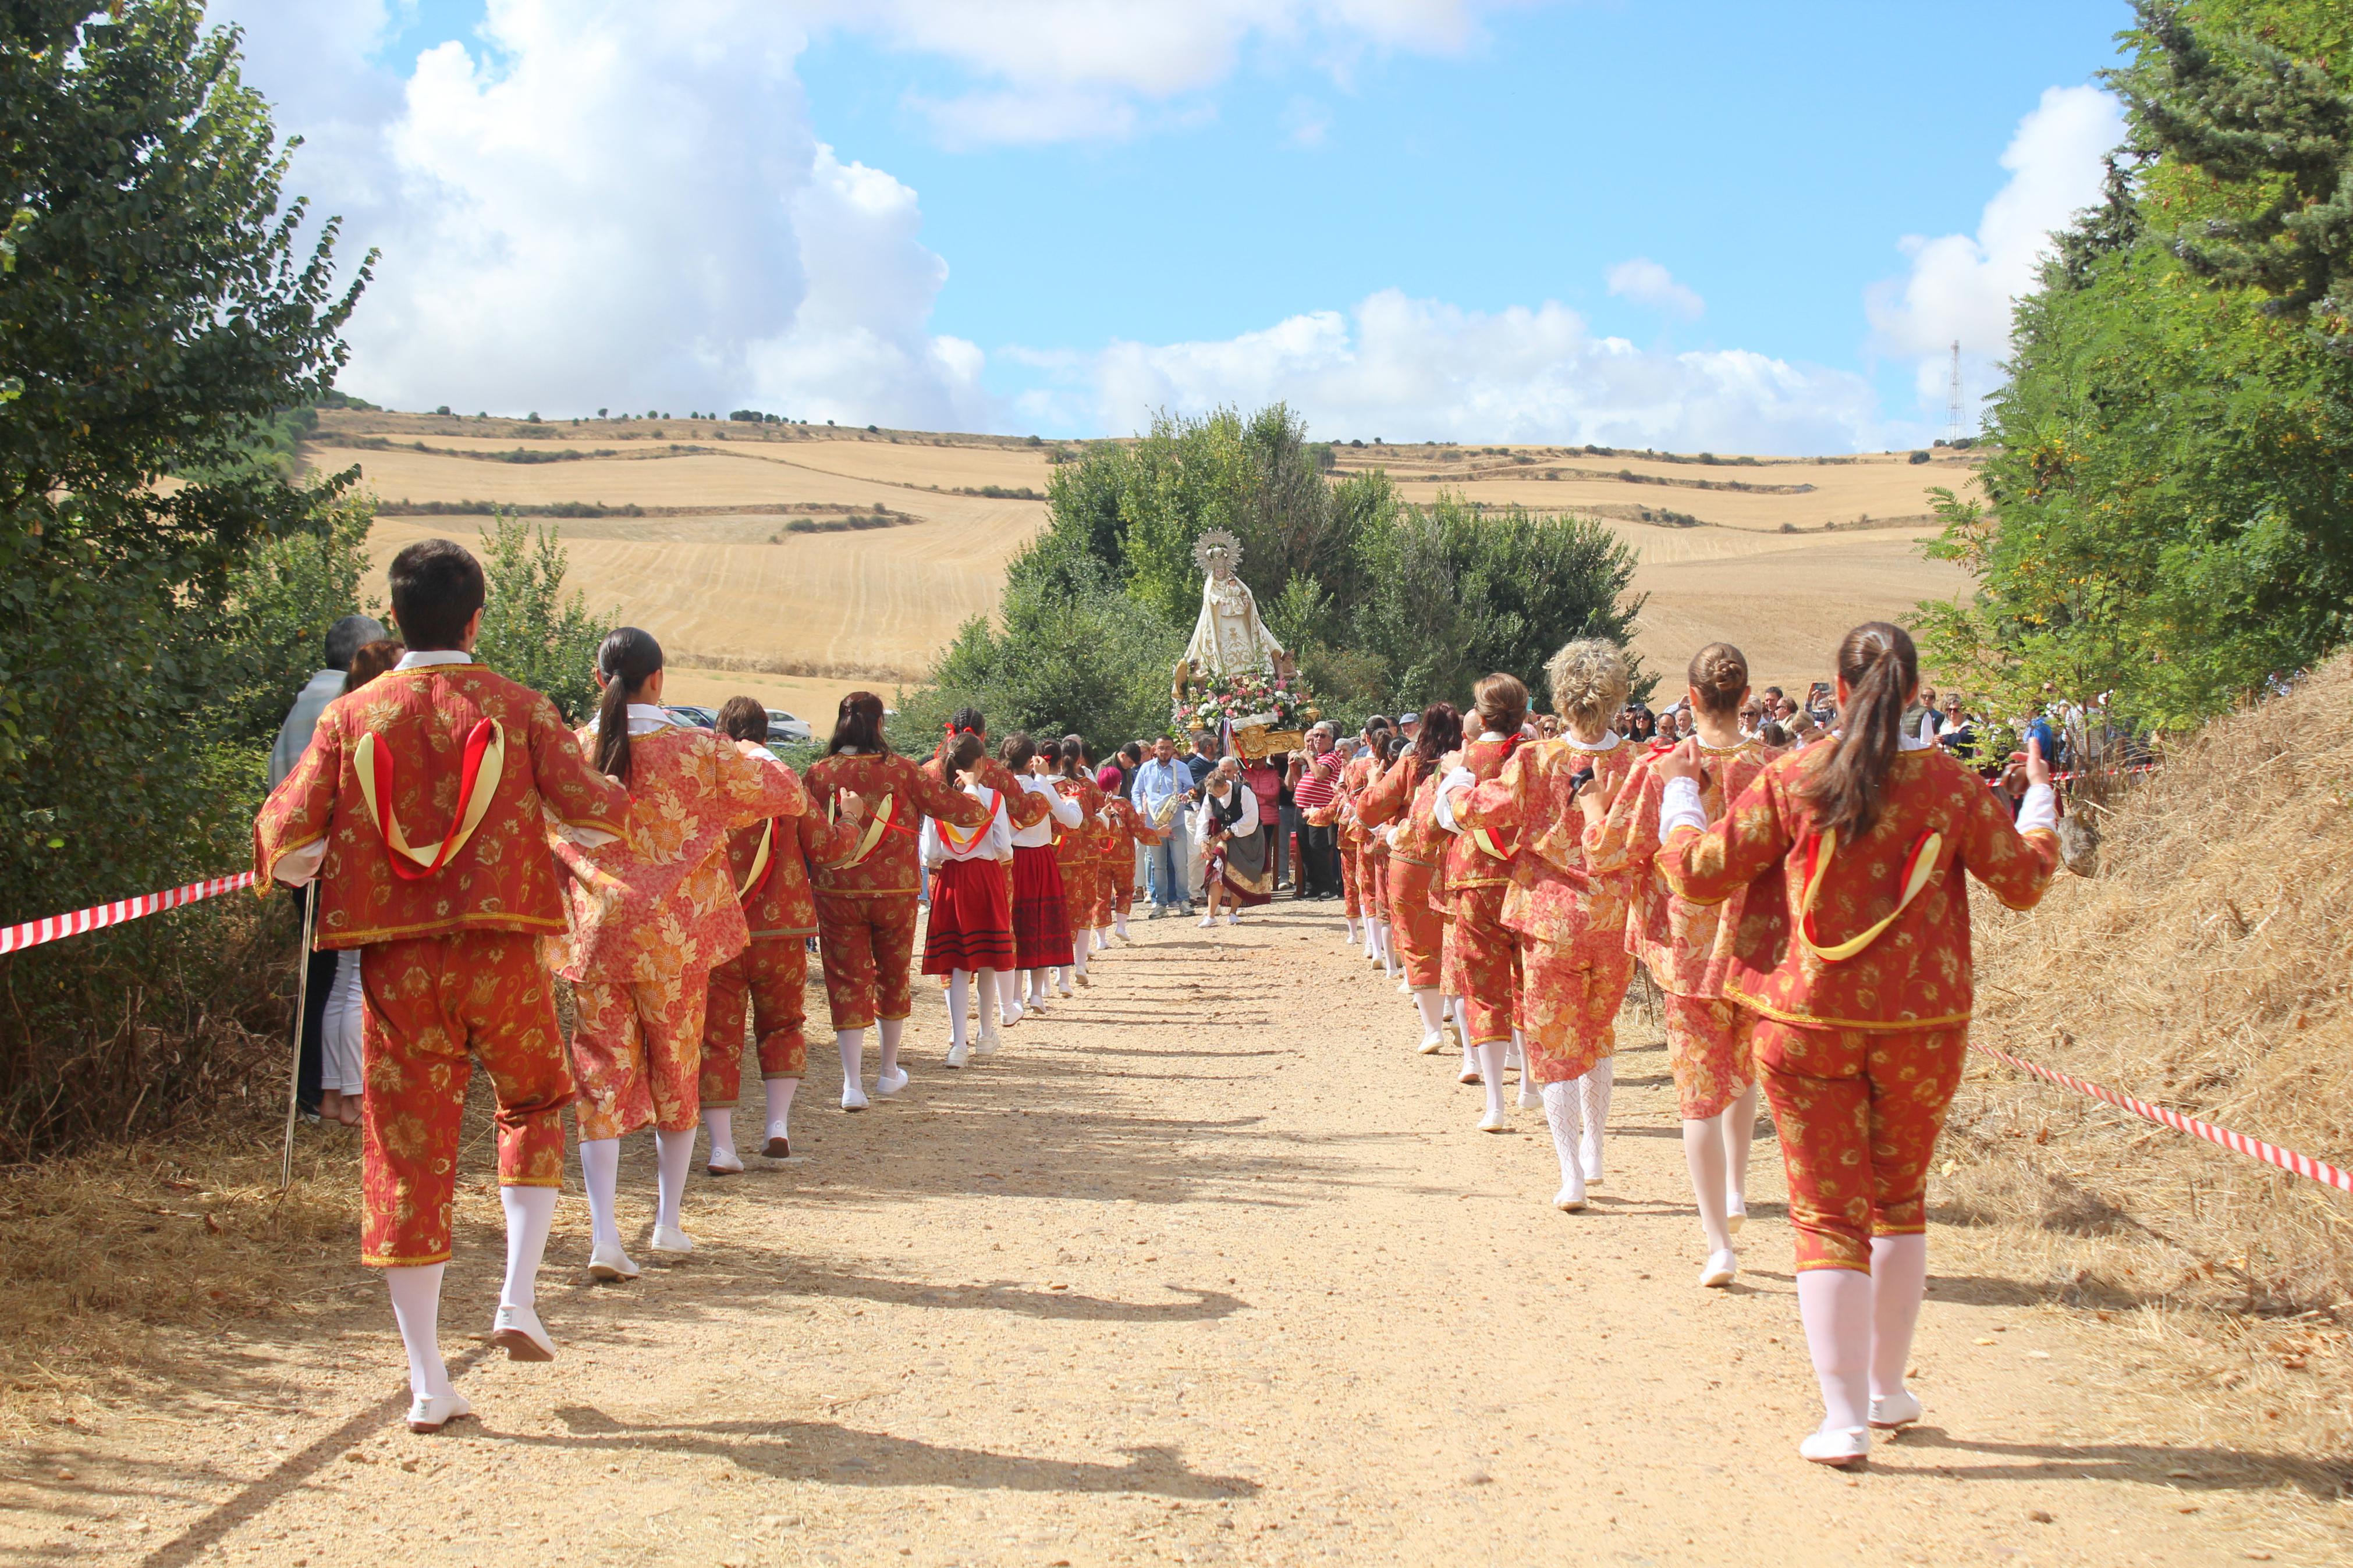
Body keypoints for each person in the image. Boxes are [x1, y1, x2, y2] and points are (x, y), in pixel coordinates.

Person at [1653, 621, 2060, 1466]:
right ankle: (1885, 1388)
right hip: (1920, 1025)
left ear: (1837, 690)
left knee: (1825, 1212)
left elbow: (1698, 874)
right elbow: (2022, 882)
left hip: (1807, 1023)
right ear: (1911, 692)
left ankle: (1841, 1417)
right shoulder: (1949, 784)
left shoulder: (1794, 776)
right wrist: (2039, 802)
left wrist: (1681, 799)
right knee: (1898, 1199)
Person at [253, 539, 633, 1434]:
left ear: (395, 617)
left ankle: (428, 1378)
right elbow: (596, 813)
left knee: (405, 1148)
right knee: (534, 1100)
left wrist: (337, 853)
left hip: (397, 963)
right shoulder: (522, 709)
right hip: (503, 952)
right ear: (475, 619)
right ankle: (515, 1294)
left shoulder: (350, 717)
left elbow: (286, 840)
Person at [552, 629, 805, 1278]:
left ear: (598, 676)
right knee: (676, 1068)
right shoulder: (698, 749)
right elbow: (787, 791)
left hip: (599, 933)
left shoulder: (571, 750)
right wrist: (747, 746)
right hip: (676, 936)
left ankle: (605, 1235)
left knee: (600, 1077)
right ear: (659, 678)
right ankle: (667, 1222)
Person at [1585, 643, 1778, 1285]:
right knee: (1743, 1070)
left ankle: (1718, 1242)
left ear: (1691, 698)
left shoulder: (1660, 768)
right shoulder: (1775, 767)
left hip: (1687, 948)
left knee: (1698, 1092)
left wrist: (1591, 807)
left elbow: (1608, 852)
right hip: (1757, 947)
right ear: (1745, 697)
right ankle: (1738, 1190)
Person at [1442, 645, 1638, 1183]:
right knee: (1599, 1035)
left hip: (1551, 919)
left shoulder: (1537, 759)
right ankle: (1594, 1150)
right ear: (1617, 695)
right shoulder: (1638, 762)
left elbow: (1473, 811)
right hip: (1614, 918)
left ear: (1561, 696)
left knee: (1556, 1043)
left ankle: (1570, 1172)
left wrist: (1456, 778)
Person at [803, 692, 996, 1109]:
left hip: (837, 890)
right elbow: (965, 812)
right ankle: (888, 1071)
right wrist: (973, 790)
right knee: (892, 977)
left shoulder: (819, 773)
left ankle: (851, 1083)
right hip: (894, 892)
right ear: (879, 725)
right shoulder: (903, 770)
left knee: (846, 980)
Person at [698, 699, 860, 1171]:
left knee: (717, 1038)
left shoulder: (706, 779)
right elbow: (828, 850)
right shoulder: (785, 780)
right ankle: (777, 1126)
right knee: (782, 1027)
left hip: (719, 927)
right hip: (783, 929)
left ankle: (722, 1147)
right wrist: (850, 818)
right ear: (766, 734)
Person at [270, 610, 391, 1121]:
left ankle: (316, 1092)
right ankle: (325, 1093)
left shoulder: (304, 701)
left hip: (305, 860)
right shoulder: (343, 704)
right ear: (364, 655)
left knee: (321, 977)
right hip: (337, 860)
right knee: (343, 979)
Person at [1428, 675, 1531, 1118]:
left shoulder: (1461, 761)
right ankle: (1530, 1086)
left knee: (1485, 990)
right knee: (1528, 982)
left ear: (1481, 717)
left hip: (1474, 878)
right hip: (1526, 878)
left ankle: (1494, 1102)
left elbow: (1445, 819)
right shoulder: (1535, 755)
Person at [314, 637, 406, 1129]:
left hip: (345, 862)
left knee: (343, 982)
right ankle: (353, 1097)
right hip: (368, 864)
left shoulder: (343, 720)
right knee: (355, 986)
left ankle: (334, 1092)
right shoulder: (373, 725)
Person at [1356, 702, 1463, 1049]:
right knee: (1458, 942)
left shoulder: (1411, 764)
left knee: (1419, 945)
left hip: (1414, 861)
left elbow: (1369, 809)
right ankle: (1459, 1017)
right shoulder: (1469, 762)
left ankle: (1433, 1030)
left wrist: (1373, 783)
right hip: (1459, 862)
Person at [917, 731, 1017, 1068]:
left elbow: (929, 854)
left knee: (959, 965)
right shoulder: (994, 799)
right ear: (982, 763)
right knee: (988, 960)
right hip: (986, 879)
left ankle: (958, 1044)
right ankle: (986, 1035)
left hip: (952, 882)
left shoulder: (939, 800)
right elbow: (1004, 848)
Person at [1003, 731, 1083, 1012]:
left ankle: (1014, 996)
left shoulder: (1002, 786)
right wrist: (1073, 802)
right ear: (1031, 760)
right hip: (1041, 859)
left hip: (1011, 860)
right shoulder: (1043, 786)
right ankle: (1036, 993)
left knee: (1016, 925)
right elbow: (1072, 821)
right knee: (1042, 924)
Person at [1050, 737, 1108, 994]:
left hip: (1053, 853)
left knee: (1056, 906)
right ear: (1080, 759)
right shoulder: (1085, 786)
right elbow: (1098, 816)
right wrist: (1105, 819)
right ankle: (1080, 964)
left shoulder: (1047, 786)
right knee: (1084, 907)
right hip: (1086, 854)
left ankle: (1056, 968)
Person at [1194, 759, 1264, 927]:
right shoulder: (1211, 795)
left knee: (1239, 874)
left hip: (1247, 837)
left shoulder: (1243, 792)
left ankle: (1233, 913)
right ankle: (1211, 915)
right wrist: (1203, 840)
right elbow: (1203, 819)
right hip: (1224, 837)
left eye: (1218, 793)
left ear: (1225, 785)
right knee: (1217, 870)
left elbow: (1252, 818)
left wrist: (1232, 830)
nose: (1217, 797)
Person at [1132, 736, 1193, 917]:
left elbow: (1191, 790)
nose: (1165, 752)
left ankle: (1184, 902)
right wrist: (1139, 809)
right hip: (1154, 825)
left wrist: (1187, 795)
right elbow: (1136, 791)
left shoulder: (1182, 768)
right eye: (1161, 748)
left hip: (1176, 822)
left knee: (1180, 864)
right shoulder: (1146, 768)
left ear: (1173, 749)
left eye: (1168, 748)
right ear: (1155, 749)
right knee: (1158, 866)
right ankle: (1161, 904)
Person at [1291, 725, 1345, 898]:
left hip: (1320, 810)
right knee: (1306, 849)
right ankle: (1313, 887)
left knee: (1318, 849)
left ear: (1331, 740)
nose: (1318, 739)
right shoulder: (1317, 758)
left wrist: (1307, 756)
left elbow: (1320, 775)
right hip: (1302, 809)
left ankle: (1328, 888)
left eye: (1322, 736)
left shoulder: (1332, 756)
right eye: (1315, 736)